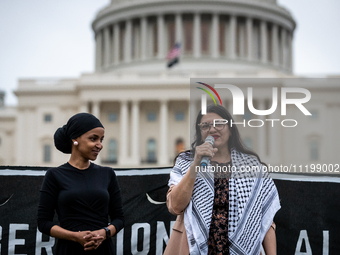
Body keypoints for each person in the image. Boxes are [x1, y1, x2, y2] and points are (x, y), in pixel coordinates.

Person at [167, 105, 280, 255]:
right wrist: (196, 164)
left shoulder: (252, 166)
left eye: (219, 124)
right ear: (200, 133)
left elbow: (265, 219)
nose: (212, 129)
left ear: (230, 128)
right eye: (205, 126)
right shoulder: (186, 161)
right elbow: (175, 205)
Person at [37, 113, 124, 254]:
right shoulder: (54, 175)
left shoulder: (107, 174)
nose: (100, 145)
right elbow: (43, 222)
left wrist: (103, 233)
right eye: (93, 138)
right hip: (68, 249)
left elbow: (119, 218)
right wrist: (75, 237)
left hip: (103, 249)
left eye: (101, 139)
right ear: (75, 139)